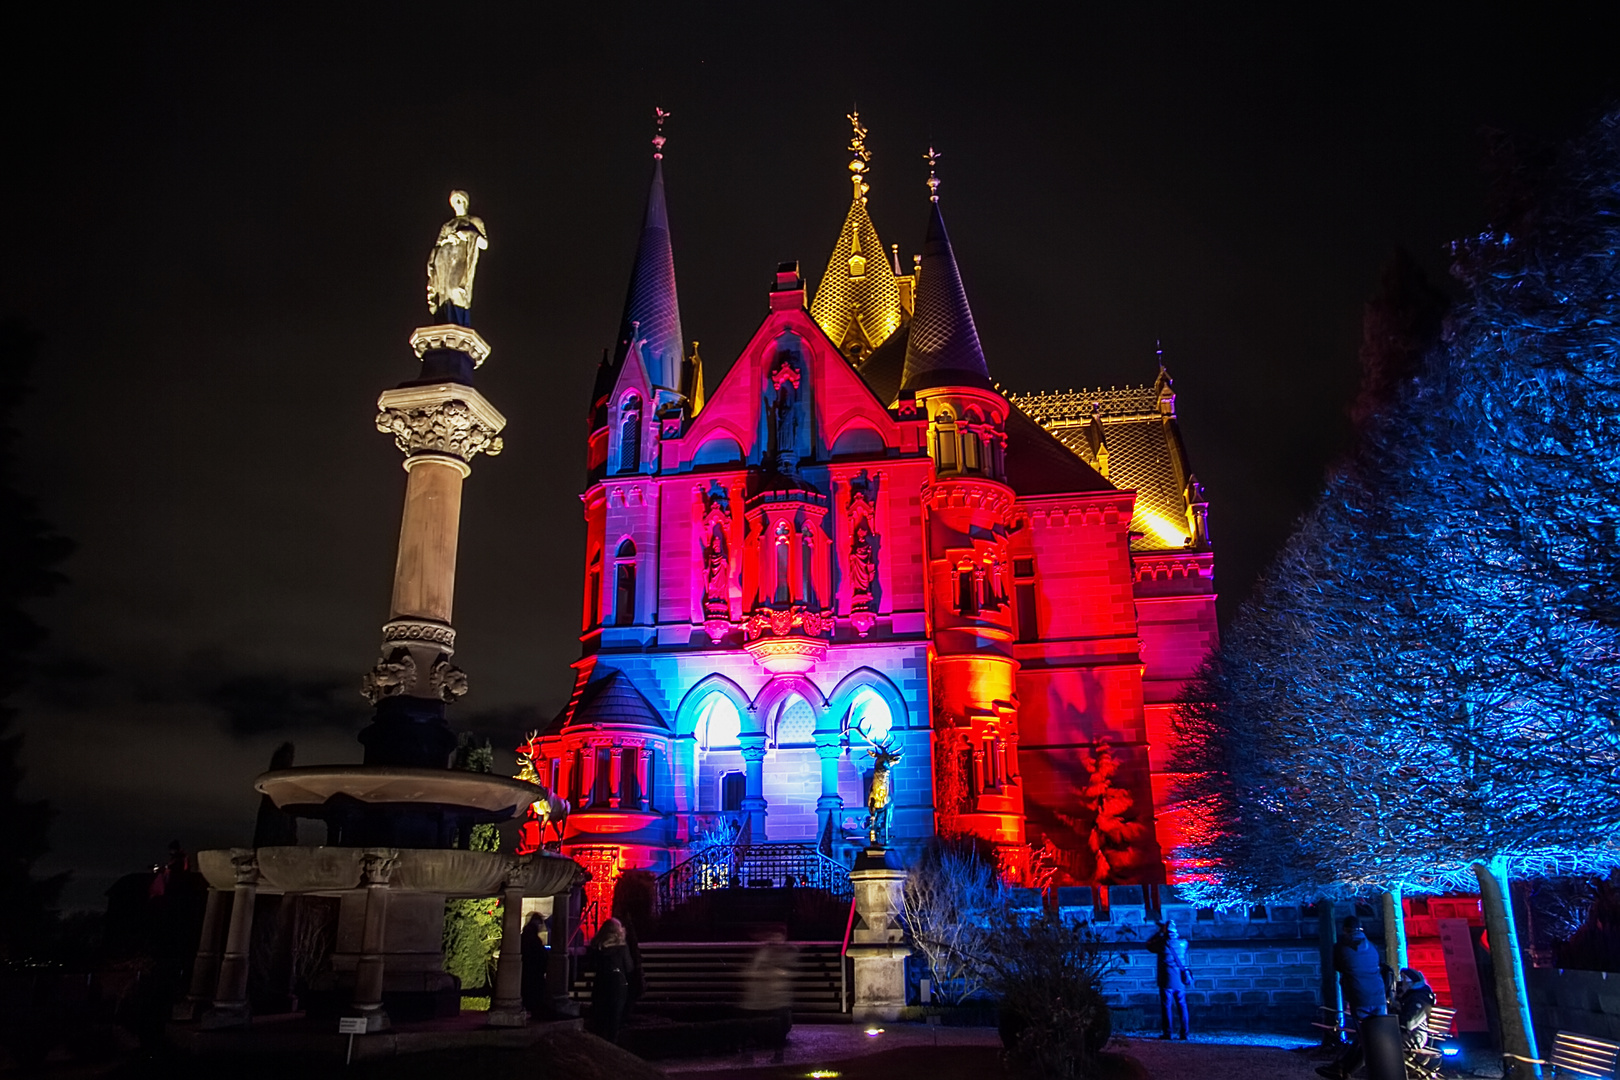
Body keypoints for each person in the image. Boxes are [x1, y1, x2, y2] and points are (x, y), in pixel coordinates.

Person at [1317, 916, 1389, 1080]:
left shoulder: (1341, 947)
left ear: (1345, 930)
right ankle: (1341, 1068)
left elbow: (1338, 967)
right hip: (1378, 995)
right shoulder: (1371, 947)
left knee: (1366, 1038)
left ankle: (1344, 1069)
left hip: (1359, 995)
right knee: (1371, 1036)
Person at [585, 917, 635, 1043]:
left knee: (600, 1019)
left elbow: (591, 965)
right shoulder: (622, 948)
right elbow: (629, 967)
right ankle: (611, 1046)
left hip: (601, 985)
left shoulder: (598, 948)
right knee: (614, 1020)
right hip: (618, 987)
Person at [1148, 920, 1193, 1039]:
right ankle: (1185, 1033)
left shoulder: (1162, 944)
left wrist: (1159, 932)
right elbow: (1181, 943)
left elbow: (1149, 944)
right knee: (1182, 1006)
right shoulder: (1183, 943)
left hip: (1166, 980)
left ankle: (1168, 1033)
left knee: (1167, 1006)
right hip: (1180, 980)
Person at [1396, 968, 1438, 1050]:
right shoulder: (1410, 996)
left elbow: (1409, 1023)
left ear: (1411, 983)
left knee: (1380, 1038)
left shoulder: (1420, 998)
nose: (1401, 984)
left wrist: (1394, 1016)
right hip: (1407, 1034)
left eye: (1403, 980)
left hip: (1415, 1036)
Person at [520, 912, 549, 1019]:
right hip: (533, 971)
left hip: (529, 970)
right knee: (533, 992)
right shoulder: (532, 938)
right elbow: (538, 954)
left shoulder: (526, 936)